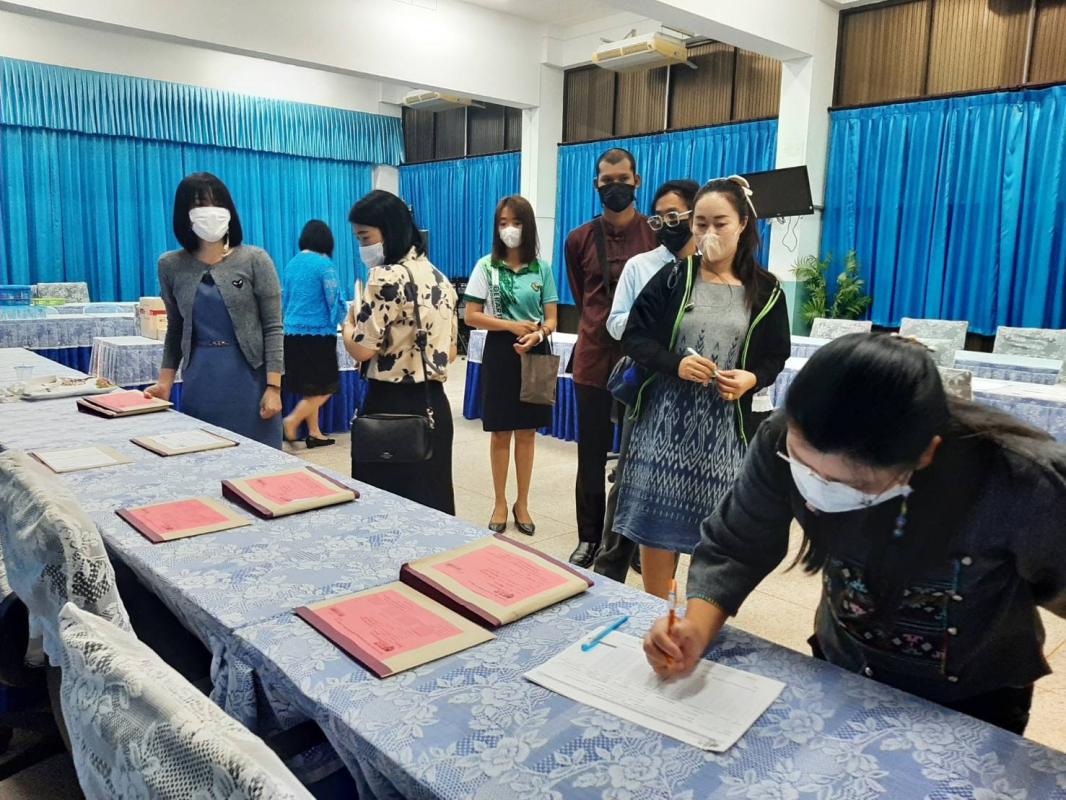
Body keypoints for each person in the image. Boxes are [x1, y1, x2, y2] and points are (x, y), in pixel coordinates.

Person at [645, 333, 1066, 735]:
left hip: (974, 699)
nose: (819, 489)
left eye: (853, 485)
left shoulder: (1017, 480)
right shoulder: (779, 437)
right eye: (803, 464)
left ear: (925, 454)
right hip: (843, 667)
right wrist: (695, 629)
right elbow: (736, 545)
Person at [614, 176, 790, 599]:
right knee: (657, 529)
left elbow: (774, 355)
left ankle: (697, 617)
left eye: (720, 223)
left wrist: (750, 378)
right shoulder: (674, 278)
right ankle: (656, 610)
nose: (709, 233)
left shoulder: (766, 291)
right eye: (701, 224)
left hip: (723, 434)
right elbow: (635, 337)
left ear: (743, 224)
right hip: (664, 426)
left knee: (716, 532)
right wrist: (676, 364)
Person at [593, 179, 700, 582]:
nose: (667, 225)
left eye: (675, 216)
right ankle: (609, 570)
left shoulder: (712, 270)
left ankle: (661, 569)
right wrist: (653, 329)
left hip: (693, 394)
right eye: (659, 218)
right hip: (647, 388)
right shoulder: (641, 266)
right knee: (629, 481)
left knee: (680, 486)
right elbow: (616, 323)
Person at [564, 147, 657, 567]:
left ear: (637, 181)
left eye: (623, 180)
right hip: (594, 358)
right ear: (596, 185)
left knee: (640, 454)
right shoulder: (579, 238)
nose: (615, 187)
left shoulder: (655, 234)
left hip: (644, 362)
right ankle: (589, 538)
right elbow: (582, 295)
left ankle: (631, 540)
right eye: (607, 181)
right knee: (591, 453)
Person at [341, 190, 458, 514]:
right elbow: (449, 352)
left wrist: (348, 327)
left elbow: (361, 350)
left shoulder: (385, 277)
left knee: (386, 509)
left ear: (390, 230)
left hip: (389, 406)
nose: (362, 246)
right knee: (430, 503)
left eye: (365, 237)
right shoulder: (440, 279)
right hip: (433, 404)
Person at [146, 172, 283, 448]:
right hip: (201, 378)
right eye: (199, 205)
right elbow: (176, 329)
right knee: (205, 455)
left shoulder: (255, 259)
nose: (210, 211)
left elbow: (273, 327)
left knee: (260, 461)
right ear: (185, 214)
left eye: (217, 203)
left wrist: (274, 387)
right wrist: (164, 383)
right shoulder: (170, 265)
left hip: (249, 379)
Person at [463, 196, 559, 535]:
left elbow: (552, 318)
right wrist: (510, 326)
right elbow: (471, 316)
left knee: (528, 432)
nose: (509, 229)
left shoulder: (541, 268)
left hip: (535, 348)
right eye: (503, 223)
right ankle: (500, 501)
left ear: (527, 226)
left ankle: (523, 503)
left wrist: (538, 333)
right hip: (501, 351)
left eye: (516, 223)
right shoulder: (486, 267)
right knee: (501, 430)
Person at [280, 220, 348, 448]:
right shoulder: (324, 264)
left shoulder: (291, 264)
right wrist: (345, 321)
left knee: (310, 387)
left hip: (291, 333)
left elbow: (285, 299)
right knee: (327, 386)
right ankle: (292, 420)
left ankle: (314, 433)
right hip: (317, 334)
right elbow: (334, 298)